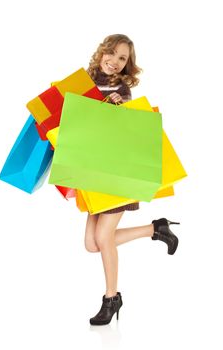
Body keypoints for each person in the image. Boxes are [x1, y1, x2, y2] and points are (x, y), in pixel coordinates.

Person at [85, 34, 180, 326]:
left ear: (128, 65)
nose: (115, 61)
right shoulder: (84, 83)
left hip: (117, 174)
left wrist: (118, 105)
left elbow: (124, 129)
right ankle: (156, 228)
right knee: (92, 243)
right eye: (112, 54)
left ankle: (111, 298)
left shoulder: (121, 90)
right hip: (91, 172)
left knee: (103, 238)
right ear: (102, 53)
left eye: (123, 58)